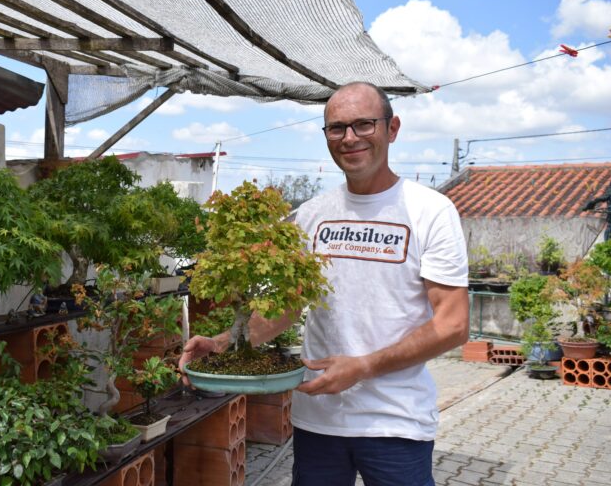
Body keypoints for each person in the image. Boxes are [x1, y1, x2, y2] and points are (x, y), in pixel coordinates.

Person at [179, 82, 470, 486]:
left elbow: (453, 324)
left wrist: (364, 366)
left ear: (392, 128)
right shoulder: (313, 215)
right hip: (318, 418)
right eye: (337, 128)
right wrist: (225, 342)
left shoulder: (430, 212)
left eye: (363, 125)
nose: (349, 138)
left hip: (395, 422)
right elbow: (288, 307)